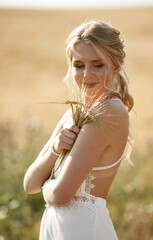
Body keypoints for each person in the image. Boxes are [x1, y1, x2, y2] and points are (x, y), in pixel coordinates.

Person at [23, 20, 134, 240]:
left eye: (97, 64)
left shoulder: (109, 112)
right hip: (58, 230)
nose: (86, 74)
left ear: (115, 66)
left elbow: (60, 195)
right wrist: (56, 149)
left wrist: (48, 184)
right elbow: (29, 184)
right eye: (79, 65)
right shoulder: (73, 114)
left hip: (83, 231)